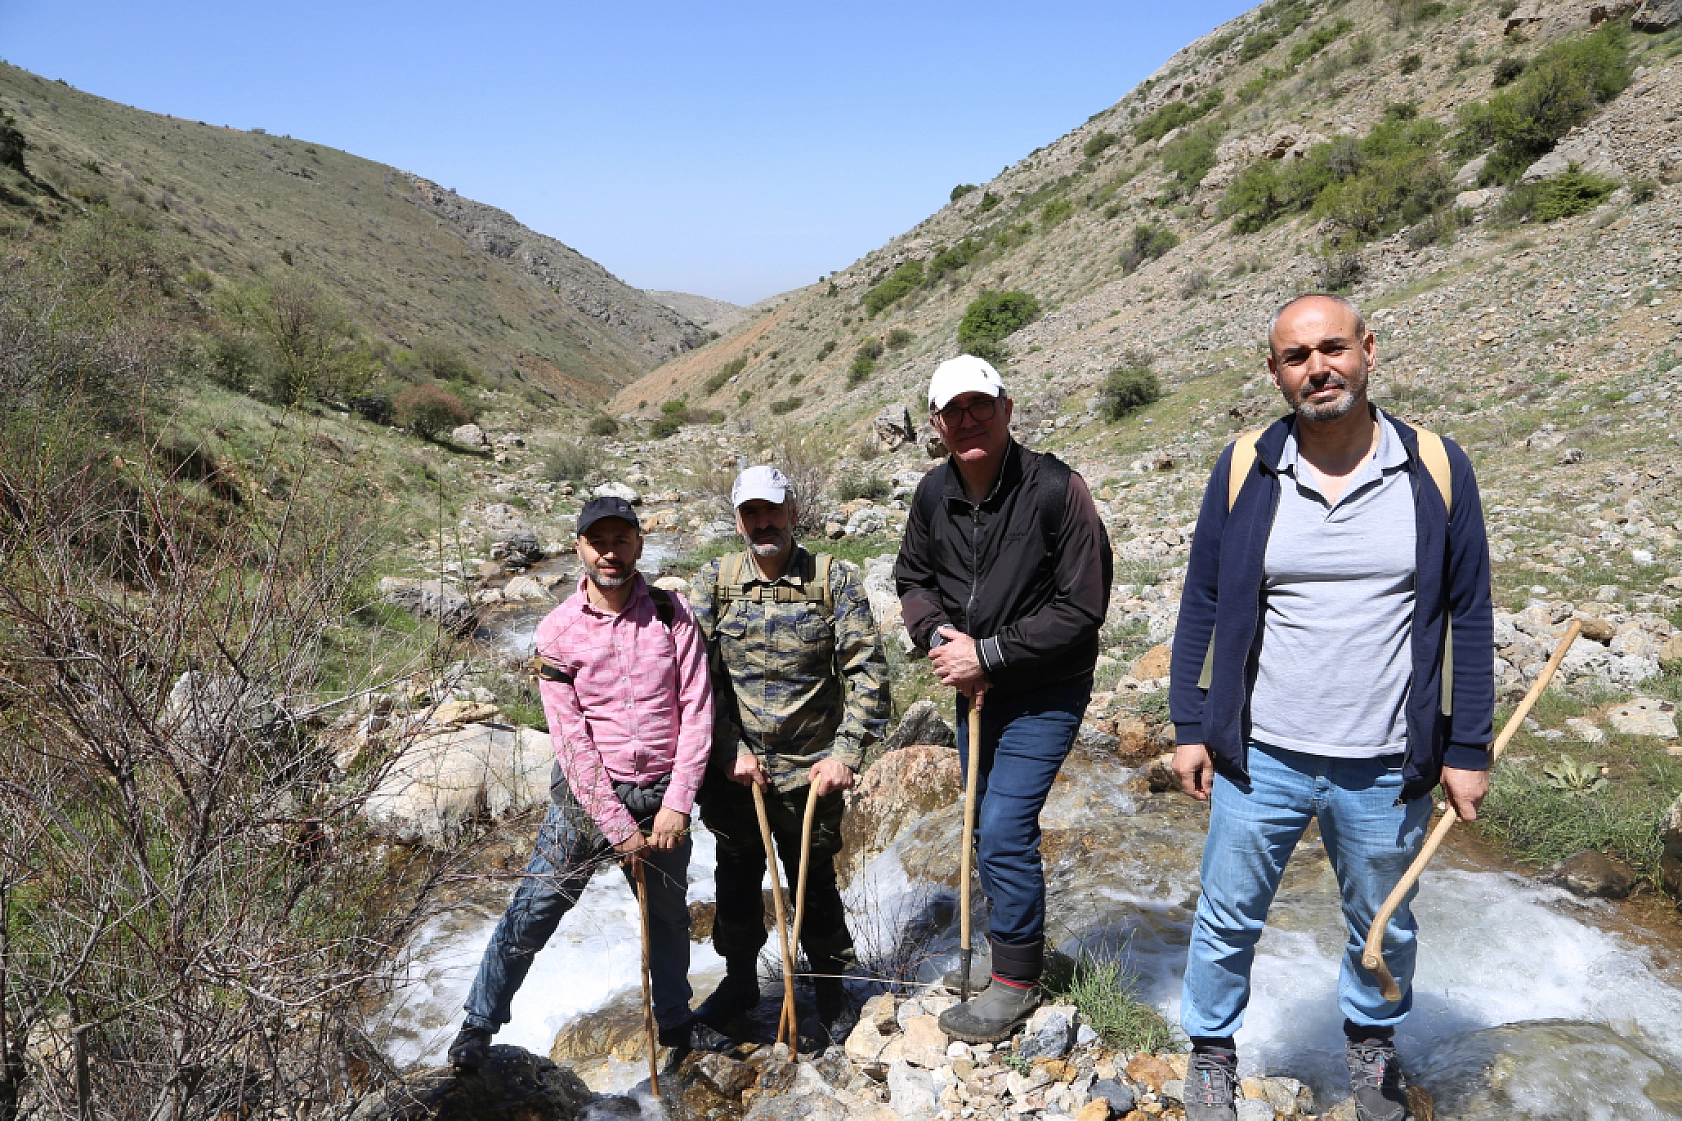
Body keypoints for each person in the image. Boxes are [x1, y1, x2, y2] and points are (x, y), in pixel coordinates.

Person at [1168, 294, 1494, 1121]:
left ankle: (1372, 1047)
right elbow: (1201, 599)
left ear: (1368, 350)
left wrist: (1468, 748)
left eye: (1333, 348)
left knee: (1384, 920)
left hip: (1388, 760)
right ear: (1275, 372)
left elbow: (1472, 610)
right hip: (1261, 752)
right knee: (1226, 915)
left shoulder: (1436, 467)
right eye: (1296, 356)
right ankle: (1210, 1056)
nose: (1318, 368)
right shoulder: (1247, 466)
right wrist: (1189, 723)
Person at [448, 496, 713, 1071]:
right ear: (579, 549)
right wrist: (617, 826)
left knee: (667, 918)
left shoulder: (673, 615)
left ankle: (675, 1024)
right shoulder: (557, 632)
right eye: (599, 542)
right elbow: (571, 742)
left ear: (639, 544)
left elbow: (698, 712)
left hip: (662, 796)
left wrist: (677, 804)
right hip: (587, 799)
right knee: (536, 906)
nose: (610, 553)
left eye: (621, 540)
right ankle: (477, 1024)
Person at [895, 354, 1113, 1043]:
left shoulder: (1056, 490)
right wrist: (938, 635)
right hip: (976, 688)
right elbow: (912, 578)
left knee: (1007, 825)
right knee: (985, 825)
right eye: (953, 411)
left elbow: (1083, 607)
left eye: (979, 406)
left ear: (1007, 407)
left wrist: (987, 653)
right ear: (936, 424)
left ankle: (1016, 982)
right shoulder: (933, 495)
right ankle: (1001, 951)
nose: (968, 420)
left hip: (1045, 687)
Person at [688, 465, 890, 1037]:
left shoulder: (833, 580)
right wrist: (726, 749)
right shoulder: (714, 582)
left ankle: (829, 985)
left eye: (772, 510)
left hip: (812, 768)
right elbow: (694, 679)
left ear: (793, 513)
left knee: (814, 878)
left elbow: (868, 672)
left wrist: (846, 754)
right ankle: (740, 979)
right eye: (750, 513)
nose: (763, 522)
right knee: (735, 873)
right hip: (737, 771)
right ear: (737, 521)